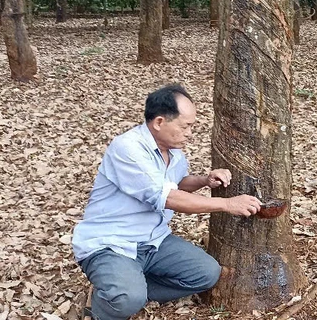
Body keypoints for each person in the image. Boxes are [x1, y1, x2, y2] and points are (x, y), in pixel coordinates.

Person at [71, 84, 261, 320]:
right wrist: (227, 204)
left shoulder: (174, 152)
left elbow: (177, 183)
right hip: (112, 243)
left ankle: (127, 286)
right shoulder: (128, 149)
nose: (190, 133)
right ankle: (106, 303)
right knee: (127, 299)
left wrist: (204, 180)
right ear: (159, 122)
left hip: (154, 241)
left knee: (206, 274)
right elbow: (168, 197)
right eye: (185, 126)